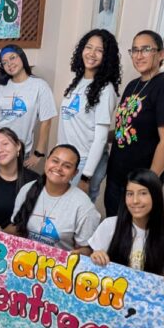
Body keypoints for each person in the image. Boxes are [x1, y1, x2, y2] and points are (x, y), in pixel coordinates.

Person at [105, 30, 164, 216]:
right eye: (135, 50)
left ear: (161, 54)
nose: (139, 55)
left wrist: (148, 183)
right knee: (113, 225)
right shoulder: (133, 85)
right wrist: (97, 135)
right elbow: (124, 129)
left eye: (146, 49)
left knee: (133, 230)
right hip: (117, 175)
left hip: (141, 181)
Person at [90, 168, 164, 285]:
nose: (135, 200)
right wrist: (96, 257)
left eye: (143, 193)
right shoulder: (109, 226)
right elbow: (94, 272)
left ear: (156, 196)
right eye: (130, 194)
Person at [59, 29, 121, 202]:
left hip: (85, 162)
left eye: (99, 50)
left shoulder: (105, 90)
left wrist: (86, 176)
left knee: (77, 212)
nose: (92, 53)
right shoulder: (78, 81)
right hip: (67, 157)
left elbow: (101, 138)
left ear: (107, 57)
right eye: (89, 47)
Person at [9, 144, 100, 253]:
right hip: (24, 258)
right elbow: (16, 228)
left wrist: (78, 253)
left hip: (59, 263)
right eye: (55, 161)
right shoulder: (27, 189)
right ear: (46, 161)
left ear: (75, 173)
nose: (58, 168)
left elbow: (87, 249)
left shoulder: (84, 206)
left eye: (67, 166)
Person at [0, 44, 57, 169]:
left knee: (17, 181)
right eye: (4, 62)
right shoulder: (0, 88)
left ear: (22, 57)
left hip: (19, 150)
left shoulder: (40, 86)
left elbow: (46, 121)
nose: (9, 64)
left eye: (12, 58)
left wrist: (39, 153)